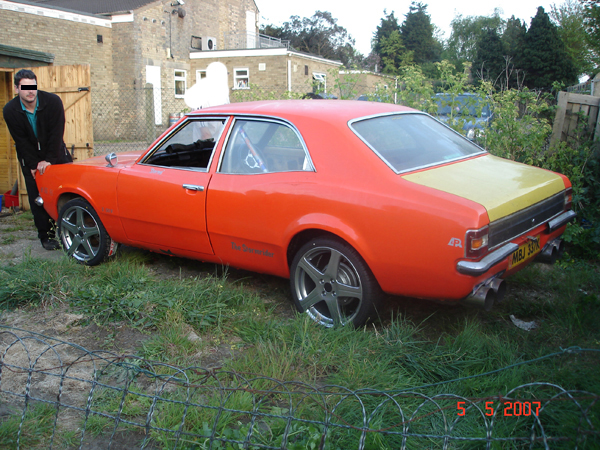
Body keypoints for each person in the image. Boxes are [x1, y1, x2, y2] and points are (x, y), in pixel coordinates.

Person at [3, 69, 72, 250]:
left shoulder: (53, 102)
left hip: (56, 154)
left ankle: (71, 232)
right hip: (30, 159)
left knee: (67, 195)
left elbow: (56, 133)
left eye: (32, 86)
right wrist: (34, 165)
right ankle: (46, 236)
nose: (30, 91)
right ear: (17, 89)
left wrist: (49, 160)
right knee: (37, 199)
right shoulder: (10, 110)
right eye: (25, 87)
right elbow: (21, 141)